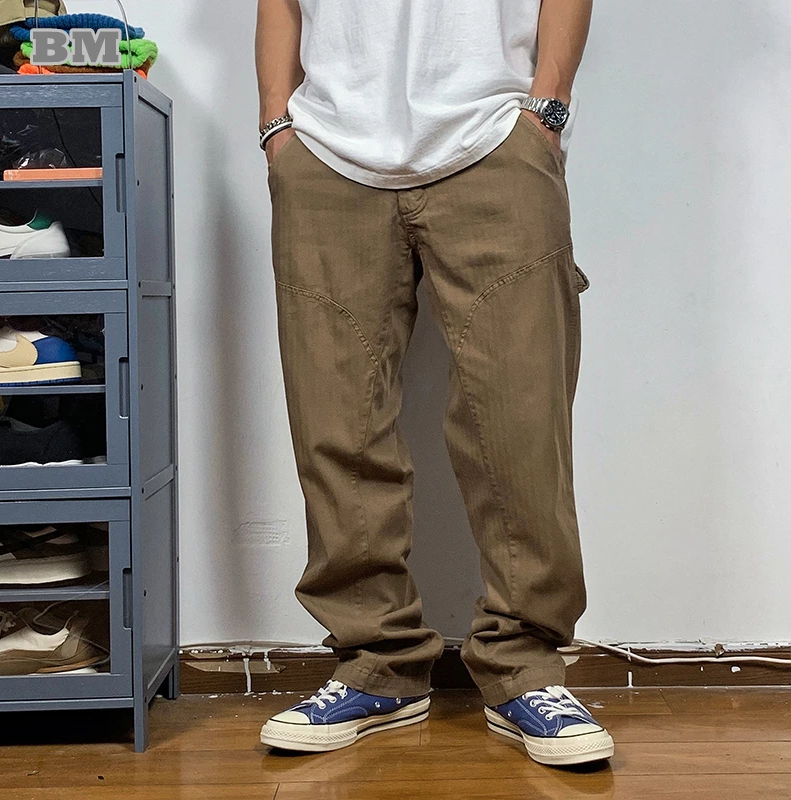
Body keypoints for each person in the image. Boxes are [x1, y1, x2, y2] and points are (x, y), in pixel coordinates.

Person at [255, 0, 613, 767]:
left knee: (520, 424)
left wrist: (547, 108)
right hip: (325, 151)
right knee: (335, 426)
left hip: (495, 137)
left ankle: (525, 667)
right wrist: (276, 127)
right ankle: (375, 665)